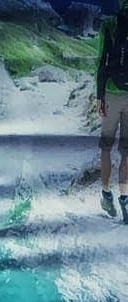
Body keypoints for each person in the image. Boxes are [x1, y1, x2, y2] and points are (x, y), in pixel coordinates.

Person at [96, 0, 128, 223]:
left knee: (106, 147)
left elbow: (101, 60)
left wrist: (99, 96)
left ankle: (107, 195)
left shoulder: (110, 24)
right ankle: (125, 199)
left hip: (111, 93)